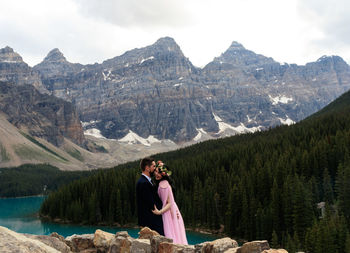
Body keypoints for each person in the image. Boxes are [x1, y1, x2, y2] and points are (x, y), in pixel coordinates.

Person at [152, 161, 188, 245]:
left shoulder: (163, 184)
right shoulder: (165, 183)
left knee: (170, 234)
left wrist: (159, 212)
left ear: (164, 174)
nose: (157, 174)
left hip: (167, 212)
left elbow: (169, 203)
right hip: (173, 210)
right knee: (177, 233)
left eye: (160, 172)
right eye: (156, 171)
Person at [136, 157, 164, 235]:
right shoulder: (143, 183)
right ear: (147, 168)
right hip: (150, 221)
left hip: (152, 220)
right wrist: (161, 211)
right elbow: (150, 202)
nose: (155, 169)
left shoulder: (148, 181)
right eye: (153, 166)